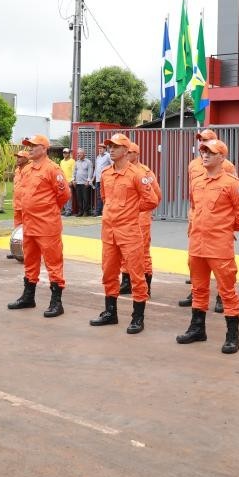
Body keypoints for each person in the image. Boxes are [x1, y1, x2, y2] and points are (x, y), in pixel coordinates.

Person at [176, 138, 239, 354]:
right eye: (203, 152)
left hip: (219, 246)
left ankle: (232, 336)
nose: (205, 155)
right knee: (198, 288)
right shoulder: (197, 182)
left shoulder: (232, 184)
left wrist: (224, 228)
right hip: (197, 244)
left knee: (227, 291)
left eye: (210, 152)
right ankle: (197, 328)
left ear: (222, 157)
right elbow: (193, 207)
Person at [89, 134, 159, 332]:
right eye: (109, 146)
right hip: (109, 231)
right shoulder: (105, 173)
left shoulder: (137, 174)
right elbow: (105, 197)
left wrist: (132, 209)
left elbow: (152, 200)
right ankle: (110, 312)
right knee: (109, 272)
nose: (111, 149)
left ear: (126, 151)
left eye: (115, 146)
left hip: (129, 231)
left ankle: (138, 317)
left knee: (137, 274)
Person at [7, 134, 71, 317]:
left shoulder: (53, 169)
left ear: (44, 148)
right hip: (29, 224)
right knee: (30, 261)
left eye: (34, 145)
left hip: (47, 225)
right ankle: (28, 296)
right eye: (28, 145)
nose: (29, 148)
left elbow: (64, 195)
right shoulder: (27, 170)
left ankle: (56, 302)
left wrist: (49, 210)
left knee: (53, 263)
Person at [179, 128, 238, 311]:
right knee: (194, 261)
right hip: (197, 218)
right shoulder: (193, 164)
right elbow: (192, 195)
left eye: (205, 141)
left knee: (221, 266)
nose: (201, 144)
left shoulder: (226, 165)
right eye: (200, 141)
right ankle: (195, 291)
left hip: (218, 224)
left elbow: (235, 198)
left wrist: (226, 224)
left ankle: (222, 296)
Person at [119, 142, 161, 296]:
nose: (127, 155)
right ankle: (126, 282)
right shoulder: (120, 170)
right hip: (124, 218)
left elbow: (156, 196)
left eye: (130, 152)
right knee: (124, 251)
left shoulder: (146, 173)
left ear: (137, 154)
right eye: (126, 152)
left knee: (142, 252)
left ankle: (146, 283)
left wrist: (140, 209)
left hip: (141, 218)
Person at [6, 149, 29, 260]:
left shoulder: (29, 170)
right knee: (17, 230)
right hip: (17, 204)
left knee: (27, 230)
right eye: (17, 157)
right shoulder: (16, 171)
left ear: (26, 159)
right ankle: (16, 250)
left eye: (20, 157)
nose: (17, 159)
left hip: (26, 205)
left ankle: (28, 251)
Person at [73, 147, 94, 216]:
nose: (78, 154)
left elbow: (90, 172)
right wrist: (74, 180)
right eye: (78, 153)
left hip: (85, 183)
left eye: (80, 153)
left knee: (86, 198)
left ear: (84, 154)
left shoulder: (88, 162)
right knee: (79, 198)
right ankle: (80, 211)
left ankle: (86, 212)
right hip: (78, 183)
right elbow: (74, 172)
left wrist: (88, 181)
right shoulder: (76, 162)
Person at [93, 144, 111, 215]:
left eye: (101, 148)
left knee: (105, 195)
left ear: (105, 149)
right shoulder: (98, 157)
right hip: (98, 179)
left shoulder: (108, 156)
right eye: (99, 148)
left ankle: (105, 211)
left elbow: (112, 165)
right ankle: (98, 211)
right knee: (98, 196)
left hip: (105, 179)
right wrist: (92, 178)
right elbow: (96, 168)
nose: (100, 150)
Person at [59, 147, 75, 215]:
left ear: (69, 153)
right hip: (63, 182)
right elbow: (60, 171)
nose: (65, 154)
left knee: (69, 196)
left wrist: (72, 181)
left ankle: (69, 210)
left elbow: (74, 171)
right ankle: (65, 209)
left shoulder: (72, 161)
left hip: (69, 181)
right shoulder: (61, 162)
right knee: (64, 196)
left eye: (66, 153)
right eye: (64, 153)